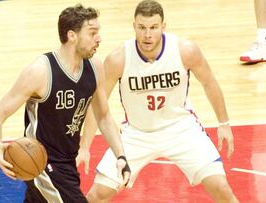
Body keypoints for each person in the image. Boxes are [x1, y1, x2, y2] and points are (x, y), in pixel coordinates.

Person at [78, 0, 239, 202]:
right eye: (142, 28)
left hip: (180, 129)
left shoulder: (185, 50)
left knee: (221, 187)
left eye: (154, 28)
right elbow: (98, 107)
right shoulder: (118, 59)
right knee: (96, 195)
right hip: (136, 133)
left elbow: (210, 83)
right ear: (134, 26)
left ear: (163, 27)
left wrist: (224, 123)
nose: (147, 34)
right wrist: (84, 147)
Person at [0, 4, 131, 203]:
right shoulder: (40, 72)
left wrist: (120, 156)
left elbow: (103, 116)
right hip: (41, 162)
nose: (99, 38)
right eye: (92, 33)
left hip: (67, 163)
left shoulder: (95, 67)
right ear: (72, 35)